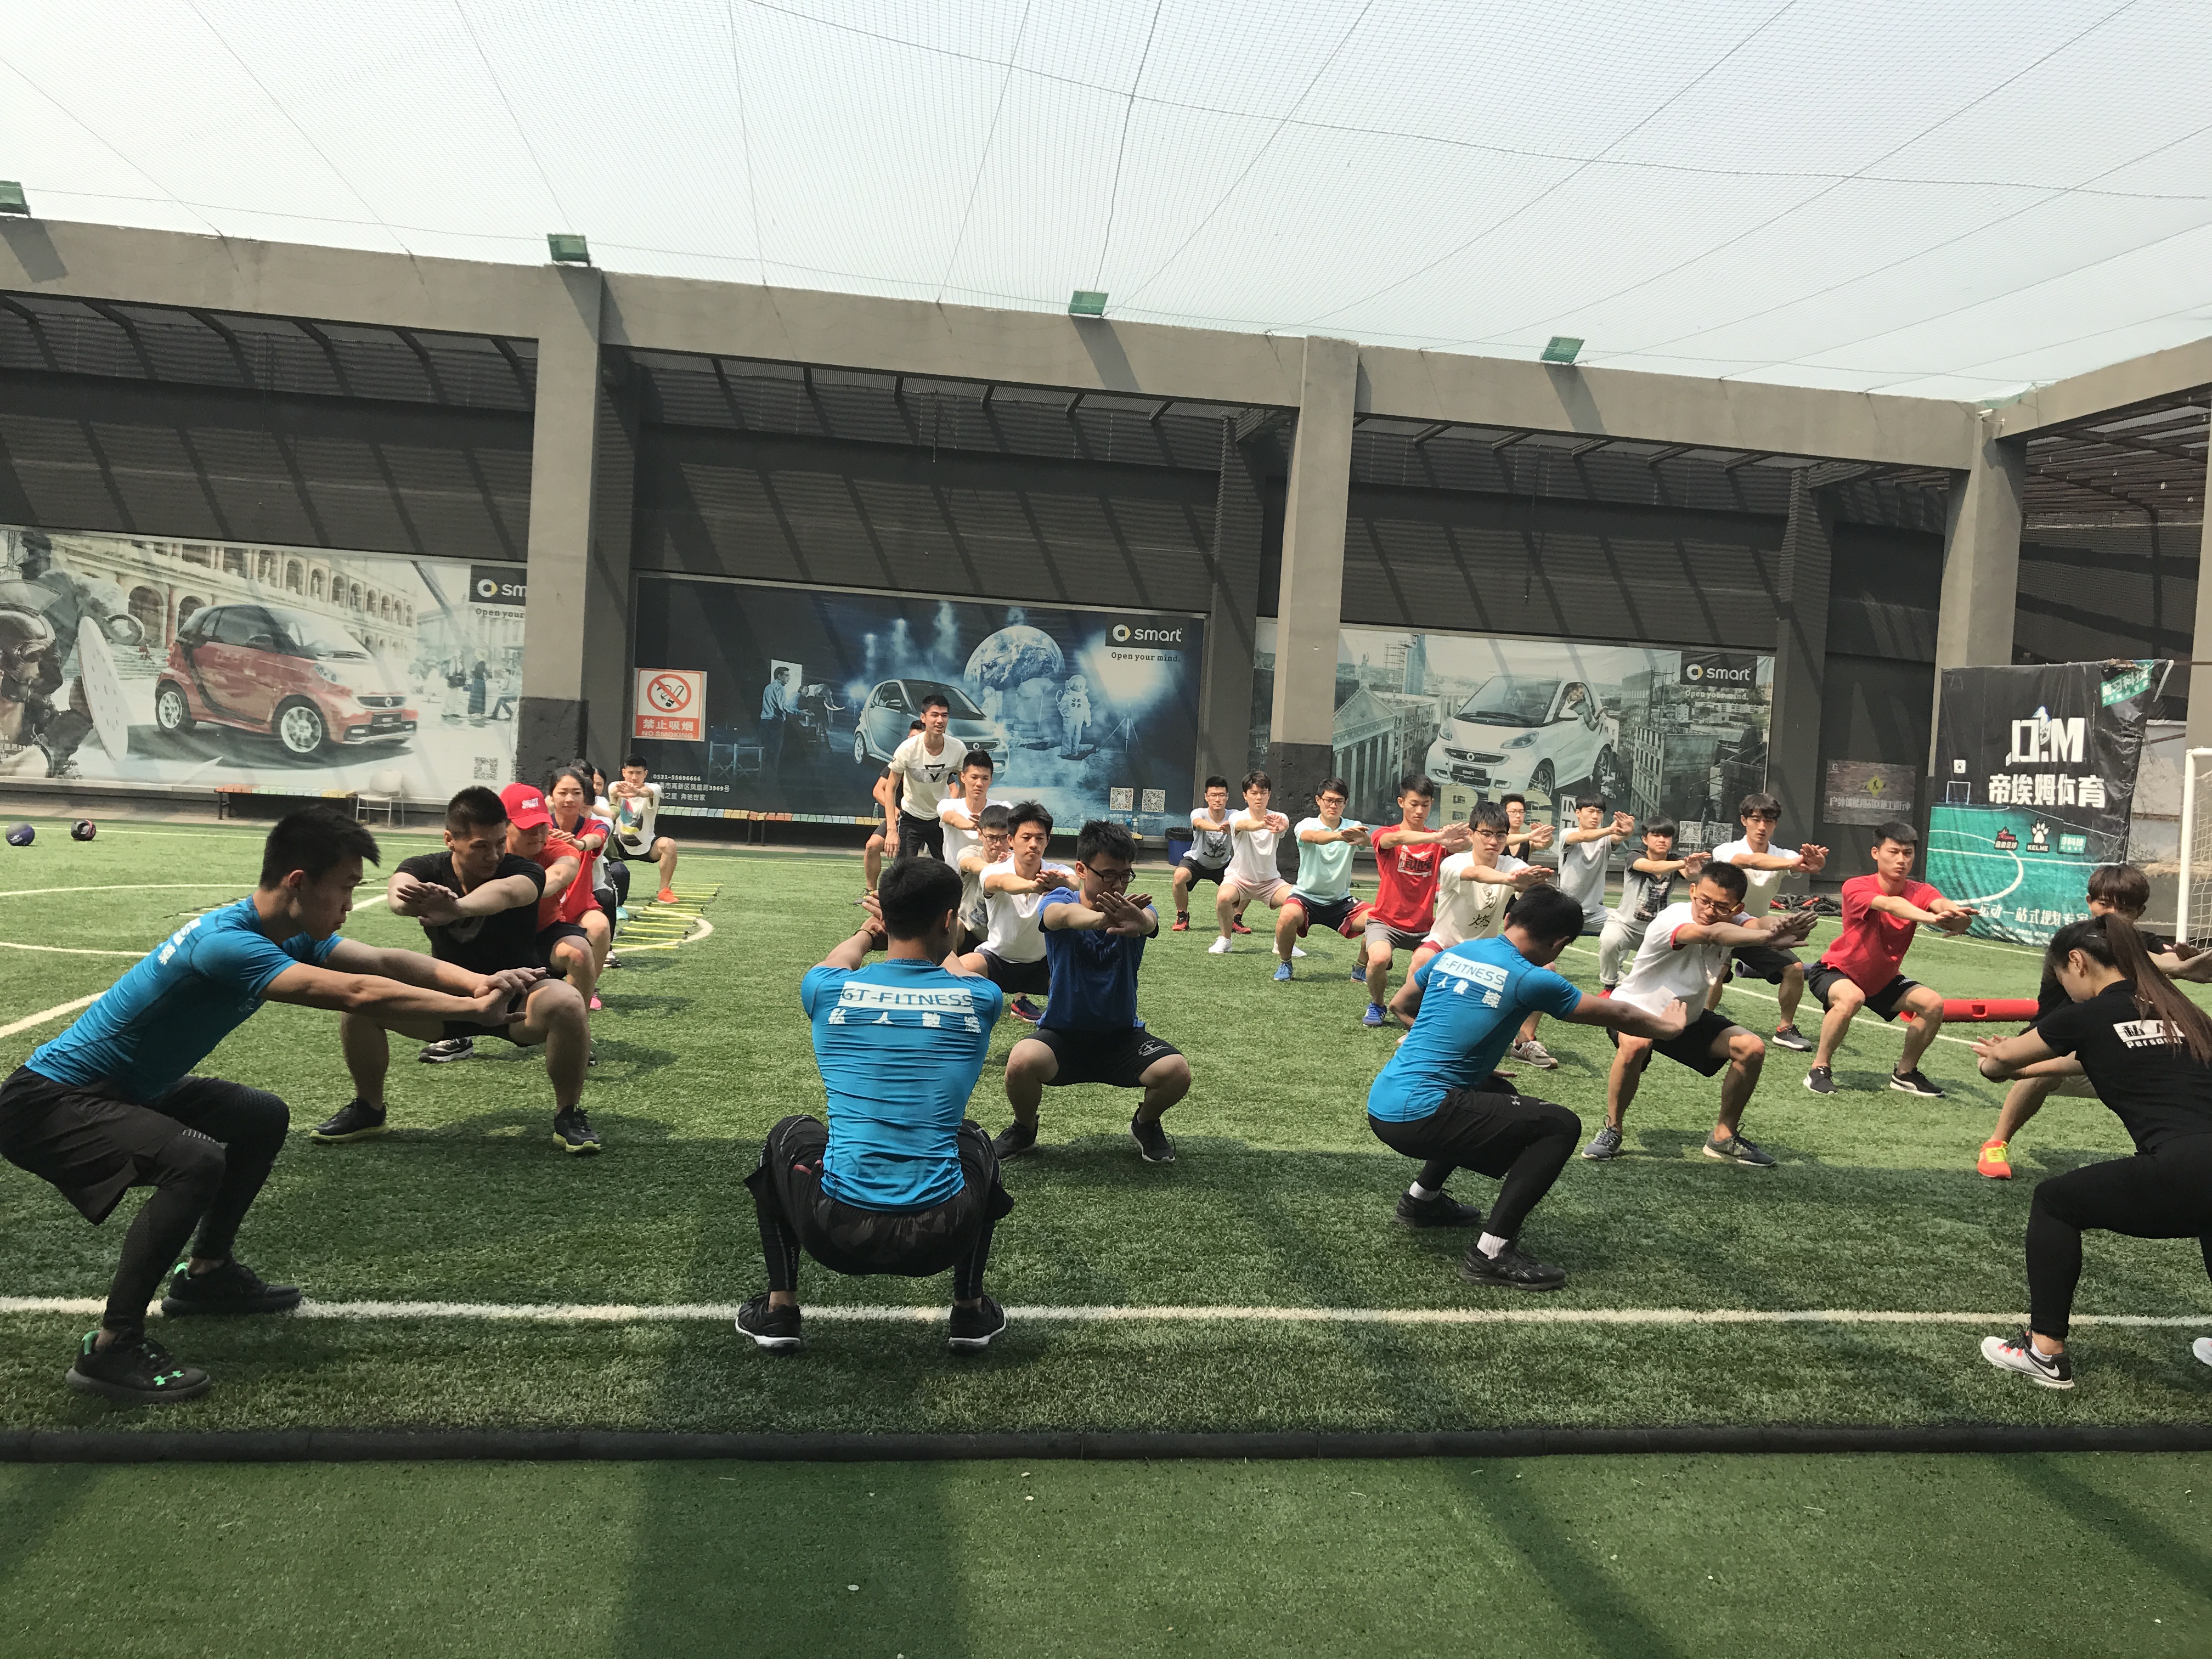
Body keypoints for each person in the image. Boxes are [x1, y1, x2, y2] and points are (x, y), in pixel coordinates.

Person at [0, 806, 532, 1403]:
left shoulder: (285, 933)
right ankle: (112, 1345)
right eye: (345, 889)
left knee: (259, 1115)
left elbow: (382, 962)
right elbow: (358, 993)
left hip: (126, 1090)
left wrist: (476, 982)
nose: (349, 905)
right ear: (298, 883)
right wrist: (471, 1012)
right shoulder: (227, 944)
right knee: (194, 1162)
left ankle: (207, 1274)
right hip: (50, 1102)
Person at [737, 859, 1013, 1353]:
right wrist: (943, 941)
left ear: (886, 914)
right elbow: (952, 968)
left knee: (788, 1133)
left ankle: (780, 1311)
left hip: (835, 1230)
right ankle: (969, 1312)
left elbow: (837, 961)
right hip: (941, 1233)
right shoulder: (981, 998)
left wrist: (868, 933)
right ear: (948, 920)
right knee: (974, 1139)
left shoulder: (825, 989)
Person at [1367, 884, 1688, 1290]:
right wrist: (1670, 1028)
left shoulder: (1456, 953)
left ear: (1508, 920)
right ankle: (1492, 1254)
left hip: (1384, 1102)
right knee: (1560, 1125)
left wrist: (1466, 1067)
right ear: (1560, 943)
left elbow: (1401, 1005)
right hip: (1419, 1116)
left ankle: (1421, 1202)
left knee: (1495, 1096)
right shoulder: (1532, 977)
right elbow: (1620, 1012)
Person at [1970, 913, 2212, 1390]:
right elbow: (2094, 1056)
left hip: (2186, 1162)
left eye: (2062, 978)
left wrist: (1995, 1061)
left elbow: (1998, 1065)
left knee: (2055, 1202)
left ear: (2077, 962)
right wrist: (2025, 1067)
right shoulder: (2182, 1012)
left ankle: (2044, 1351)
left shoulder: (2087, 1014)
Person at [311, 785, 598, 1153]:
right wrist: (413, 903)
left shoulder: (523, 869)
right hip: (448, 1001)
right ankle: (369, 1109)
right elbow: (399, 892)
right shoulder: (425, 867)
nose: (494, 855)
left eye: (500, 843)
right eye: (481, 846)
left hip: (519, 997)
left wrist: (457, 909)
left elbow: (508, 894)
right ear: (450, 840)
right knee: (360, 1002)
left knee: (569, 1003)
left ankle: (568, 1114)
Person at [1976, 863, 2212, 1178]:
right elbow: (2137, 958)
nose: (2114, 915)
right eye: (2106, 904)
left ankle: (2166, 1152)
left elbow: (2163, 957)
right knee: (2037, 1074)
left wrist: (2184, 963)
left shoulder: (2148, 943)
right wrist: (2182, 970)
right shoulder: (2075, 943)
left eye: (2125, 909)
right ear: (2089, 902)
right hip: (2057, 1052)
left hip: (2119, 1053)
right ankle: (1996, 1143)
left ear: (2140, 912)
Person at [1585, 862, 1819, 1166]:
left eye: (1721, 907)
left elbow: (1758, 922)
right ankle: (1612, 1129)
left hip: (1687, 1016)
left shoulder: (1735, 918)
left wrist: (1780, 924)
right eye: (1704, 901)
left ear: (1737, 908)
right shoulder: (1674, 918)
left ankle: (1723, 1136)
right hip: (1635, 1009)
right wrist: (1765, 939)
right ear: (1692, 891)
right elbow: (1712, 935)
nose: (1709, 911)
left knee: (1752, 1048)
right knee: (1636, 1045)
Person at [995, 820, 1188, 1165]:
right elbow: (1060, 916)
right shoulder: (1060, 898)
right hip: (1062, 1037)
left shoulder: (1134, 908)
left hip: (1121, 1039)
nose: (1119, 884)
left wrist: (1141, 922)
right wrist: (1101, 920)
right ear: (1082, 870)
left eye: (1126, 875)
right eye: (1109, 875)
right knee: (1021, 1061)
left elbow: (1149, 920)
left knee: (1177, 1072)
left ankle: (1145, 1123)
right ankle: (1024, 1128)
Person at [1803, 819, 1973, 1097]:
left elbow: (1942, 904)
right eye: (1893, 852)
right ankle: (1819, 1069)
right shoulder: (1856, 886)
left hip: (1882, 980)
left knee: (1933, 1004)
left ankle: (1905, 1074)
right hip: (1836, 972)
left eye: (1908, 854)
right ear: (1876, 853)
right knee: (1851, 998)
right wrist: (1931, 918)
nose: (1901, 860)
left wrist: (1958, 916)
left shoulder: (1921, 890)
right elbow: (1892, 905)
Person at [1709, 792, 1829, 1052]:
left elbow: (1798, 866)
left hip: (1756, 930)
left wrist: (1812, 864)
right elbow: (1751, 861)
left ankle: (1785, 1029)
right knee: (1718, 971)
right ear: (1744, 821)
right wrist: (1795, 862)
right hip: (1720, 926)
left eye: (1769, 821)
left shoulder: (1783, 855)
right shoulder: (1727, 850)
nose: (1762, 827)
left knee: (1795, 968)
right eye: (1756, 820)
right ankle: (1702, 1024)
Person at [1361, 774, 1471, 1028]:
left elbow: (1469, 846)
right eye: (1414, 804)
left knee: (1439, 965)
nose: (1420, 811)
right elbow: (1396, 840)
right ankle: (1377, 1004)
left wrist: (1468, 838)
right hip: (1385, 921)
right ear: (1401, 802)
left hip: (1425, 926)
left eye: (1425, 804)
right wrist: (1437, 839)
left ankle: (1415, 1010)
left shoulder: (1439, 840)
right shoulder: (1386, 833)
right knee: (1378, 959)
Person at [955, 800, 1073, 1024]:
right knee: (955, 973)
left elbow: (1075, 882)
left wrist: (1063, 884)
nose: (1033, 844)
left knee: (1081, 984)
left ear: (1048, 841)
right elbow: (1001, 882)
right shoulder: (994, 871)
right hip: (996, 959)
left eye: (1040, 838)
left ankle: (1030, 1009)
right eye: (1026, 837)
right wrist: (1034, 886)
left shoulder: (1057, 872)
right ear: (1011, 840)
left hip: (1042, 963)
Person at [1409, 801, 1554, 982]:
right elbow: (1475, 873)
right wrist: (1510, 880)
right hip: (1445, 944)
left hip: (1486, 949)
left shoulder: (1512, 865)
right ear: (1471, 835)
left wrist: (1533, 883)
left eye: (1500, 835)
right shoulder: (1454, 862)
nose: (1493, 842)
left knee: (1548, 968)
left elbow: (1527, 882)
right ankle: (1407, 1000)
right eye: (1486, 834)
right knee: (1421, 959)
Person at [1596, 817, 1708, 992]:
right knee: (1609, 940)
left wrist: (1694, 870)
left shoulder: (1675, 860)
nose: (1662, 840)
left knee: (1677, 958)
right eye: (1656, 835)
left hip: (1657, 929)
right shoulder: (1634, 856)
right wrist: (1684, 863)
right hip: (1625, 925)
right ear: (1645, 839)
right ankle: (1609, 986)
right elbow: (1654, 867)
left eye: (1667, 836)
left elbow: (1689, 875)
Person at [1275, 777, 1370, 981]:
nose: (1333, 806)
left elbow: (1367, 841)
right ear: (1319, 800)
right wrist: (1340, 836)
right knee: (1287, 915)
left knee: (1378, 920)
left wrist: (1367, 839)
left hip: (1341, 901)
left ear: (1345, 803)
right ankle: (1285, 963)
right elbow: (1312, 837)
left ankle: (1361, 968)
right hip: (1306, 898)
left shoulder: (1354, 826)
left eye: (1339, 801)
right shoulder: (1307, 824)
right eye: (1329, 800)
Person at [539, 769, 614, 1013]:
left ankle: (588, 989)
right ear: (551, 796)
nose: (570, 799)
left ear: (585, 798)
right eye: (563, 793)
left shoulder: (596, 825)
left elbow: (597, 838)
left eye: (576, 793)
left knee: (600, 926)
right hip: (543, 912)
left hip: (579, 908)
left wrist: (579, 844)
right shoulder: (538, 828)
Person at [1210, 769, 1293, 955]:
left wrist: (1282, 826)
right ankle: (1225, 940)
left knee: (1295, 901)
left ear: (1269, 795)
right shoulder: (1237, 817)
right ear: (1245, 795)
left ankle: (1282, 943)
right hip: (1239, 879)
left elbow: (1284, 824)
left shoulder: (1278, 817)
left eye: (1263, 793)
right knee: (1223, 898)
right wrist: (1263, 824)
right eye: (1254, 793)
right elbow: (1244, 825)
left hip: (1270, 882)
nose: (1259, 797)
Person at [885, 693, 958, 862]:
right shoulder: (907, 749)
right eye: (935, 715)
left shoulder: (957, 748)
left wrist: (957, 813)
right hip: (911, 817)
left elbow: (966, 781)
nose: (940, 720)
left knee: (950, 869)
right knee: (904, 870)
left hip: (941, 818)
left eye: (944, 715)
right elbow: (890, 788)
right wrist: (891, 830)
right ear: (923, 718)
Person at [1554, 796, 1634, 937]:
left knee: (1627, 926)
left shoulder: (1606, 838)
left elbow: (1619, 838)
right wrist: (1610, 829)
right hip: (1565, 910)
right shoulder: (1567, 833)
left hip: (1594, 912)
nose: (1595, 816)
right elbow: (1584, 837)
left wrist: (1628, 831)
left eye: (1599, 812)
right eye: (1591, 811)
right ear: (1578, 813)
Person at [936, 749, 1007, 906]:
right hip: (956, 882)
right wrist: (974, 825)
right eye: (974, 777)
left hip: (993, 879)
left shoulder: (1003, 808)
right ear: (963, 777)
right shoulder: (948, 805)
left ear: (991, 780)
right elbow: (952, 819)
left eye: (985, 778)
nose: (979, 784)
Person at [607, 755, 681, 904]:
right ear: (624, 772)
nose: (634, 777)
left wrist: (638, 793)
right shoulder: (616, 786)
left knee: (669, 845)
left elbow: (648, 792)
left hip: (647, 845)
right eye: (631, 773)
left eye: (639, 773)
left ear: (645, 774)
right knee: (599, 840)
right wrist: (621, 791)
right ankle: (599, 888)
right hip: (619, 844)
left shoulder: (655, 788)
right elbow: (614, 791)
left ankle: (664, 891)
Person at [864, 719, 924, 891]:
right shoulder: (900, 760)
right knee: (872, 846)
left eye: (918, 739)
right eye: (911, 737)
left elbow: (953, 790)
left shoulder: (933, 764)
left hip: (929, 819)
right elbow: (878, 790)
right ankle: (871, 892)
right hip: (902, 817)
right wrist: (895, 811)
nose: (913, 742)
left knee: (938, 860)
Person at [1171, 776, 1237, 933]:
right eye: (1213, 795)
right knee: (1179, 876)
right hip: (1196, 861)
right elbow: (1198, 823)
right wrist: (1220, 828)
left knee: (1246, 880)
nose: (1218, 799)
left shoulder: (1234, 815)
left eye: (1221, 795)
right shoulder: (1199, 813)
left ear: (1227, 797)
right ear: (1206, 797)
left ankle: (1236, 919)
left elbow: (1244, 822)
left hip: (1223, 864)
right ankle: (1182, 916)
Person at [953, 805, 1013, 953]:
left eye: (1004, 838)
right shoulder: (971, 852)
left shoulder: (1017, 860)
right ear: (980, 834)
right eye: (992, 838)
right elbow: (969, 864)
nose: (998, 844)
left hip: (1003, 936)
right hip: (969, 930)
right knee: (954, 926)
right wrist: (994, 868)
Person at [759, 664, 795, 777]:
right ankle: (771, 778)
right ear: (779, 676)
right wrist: (799, 712)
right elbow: (783, 706)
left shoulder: (768, 687)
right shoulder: (780, 688)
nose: (789, 678)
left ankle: (762, 776)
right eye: (787, 675)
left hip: (764, 721)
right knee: (775, 751)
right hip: (775, 722)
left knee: (766, 750)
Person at [1057, 673, 1092, 758]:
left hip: (1079, 719)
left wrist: (1088, 719)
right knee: (1068, 735)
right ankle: (1066, 753)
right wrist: (1066, 713)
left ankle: (1074, 752)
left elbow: (1086, 709)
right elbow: (1062, 706)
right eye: (1076, 685)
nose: (1077, 688)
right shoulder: (1067, 696)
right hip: (1069, 719)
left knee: (1077, 736)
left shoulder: (1083, 698)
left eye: (1079, 686)